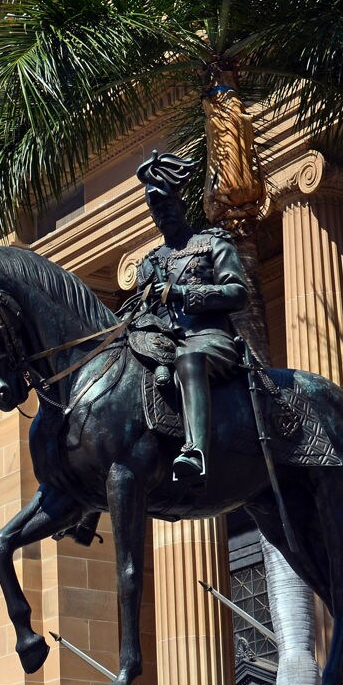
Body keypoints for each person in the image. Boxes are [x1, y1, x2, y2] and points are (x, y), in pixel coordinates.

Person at [131, 150, 249, 484]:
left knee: (189, 360)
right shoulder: (149, 263)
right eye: (156, 209)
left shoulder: (211, 244)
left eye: (167, 206)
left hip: (210, 339)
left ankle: (195, 451)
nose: (162, 214)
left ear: (182, 204)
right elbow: (142, 312)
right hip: (163, 344)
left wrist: (184, 294)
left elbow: (238, 293)